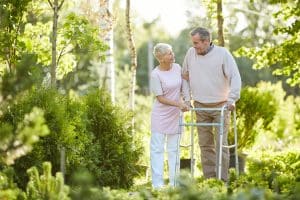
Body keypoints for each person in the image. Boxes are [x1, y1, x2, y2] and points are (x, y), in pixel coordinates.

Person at [182, 27, 241, 182]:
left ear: (206, 41)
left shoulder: (222, 54)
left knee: (221, 144)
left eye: (197, 43)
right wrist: (187, 99)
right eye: (193, 43)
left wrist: (232, 99)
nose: (194, 46)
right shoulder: (190, 53)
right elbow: (184, 77)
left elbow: (235, 77)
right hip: (200, 105)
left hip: (220, 106)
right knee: (205, 144)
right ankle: (210, 180)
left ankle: (222, 181)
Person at [150, 43, 188, 189]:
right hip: (160, 115)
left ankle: (175, 184)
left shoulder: (177, 68)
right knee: (157, 150)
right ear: (161, 58)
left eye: (172, 52)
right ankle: (157, 185)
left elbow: (183, 86)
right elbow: (160, 98)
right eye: (169, 54)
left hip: (175, 115)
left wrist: (185, 101)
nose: (173, 55)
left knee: (174, 150)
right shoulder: (156, 74)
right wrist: (179, 104)